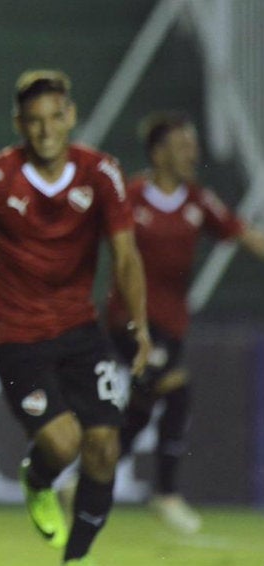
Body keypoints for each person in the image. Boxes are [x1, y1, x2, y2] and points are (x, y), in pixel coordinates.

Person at [0, 69, 151, 566]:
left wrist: (139, 324)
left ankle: (77, 558)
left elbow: (126, 257)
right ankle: (38, 478)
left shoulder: (101, 173)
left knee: (104, 448)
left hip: (79, 328)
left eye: (54, 118)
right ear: (19, 124)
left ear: (70, 116)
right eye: (34, 121)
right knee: (64, 445)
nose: (46, 130)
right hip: (15, 334)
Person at [104, 111, 264, 533]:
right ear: (158, 153)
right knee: (174, 386)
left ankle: (91, 481)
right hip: (130, 321)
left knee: (145, 404)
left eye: (193, 146)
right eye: (182, 146)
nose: (192, 153)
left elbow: (245, 234)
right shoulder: (131, 196)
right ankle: (167, 495)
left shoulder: (198, 201)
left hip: (172, 325)